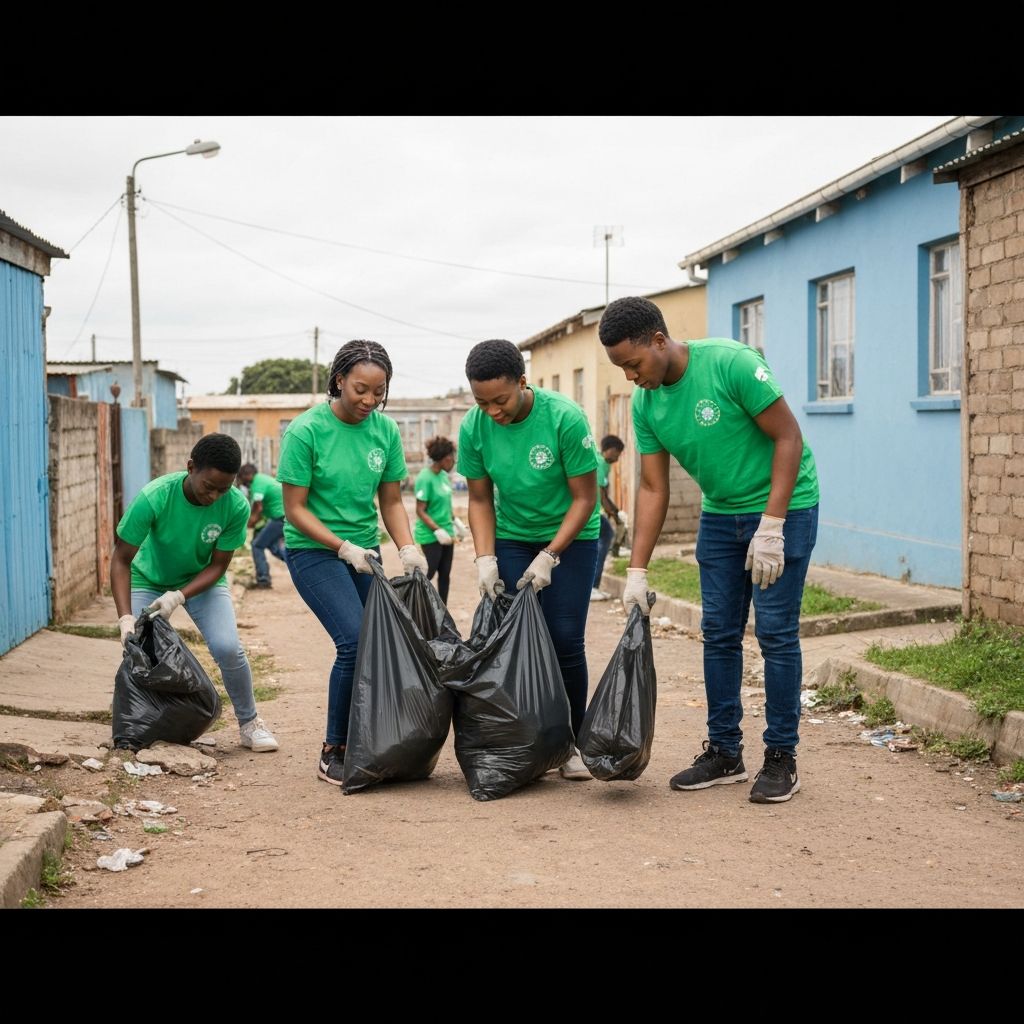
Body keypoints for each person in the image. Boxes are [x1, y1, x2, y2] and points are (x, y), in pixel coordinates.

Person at [599, 296, 820, 804]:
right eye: (621, 369)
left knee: (775, 633)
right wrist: (636, 570)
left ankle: (781, 756)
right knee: (719, 632)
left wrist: (773, 525)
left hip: (785, 506)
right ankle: (725, 752)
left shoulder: (730, 362)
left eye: (633, 363)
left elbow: (788, 437)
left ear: (659, 340)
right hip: (720, 515)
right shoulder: (646, 402)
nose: (631, 377)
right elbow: (654, 488)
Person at [278, 340, 429, 786]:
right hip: (315, 551)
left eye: (377, 392)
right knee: (354, 640)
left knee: (383, 642)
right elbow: (295, 509)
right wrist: (342, 547)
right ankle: (334, 748)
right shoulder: (306, 431)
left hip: (367, 554)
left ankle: (376, 738)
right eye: (360, 389)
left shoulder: (384, 432)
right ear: (339, 380)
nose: (368, 400)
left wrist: (407, 548)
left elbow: (391, 500)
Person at [458, 339, 600, 781]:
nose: (493, 411)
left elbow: (584, 498)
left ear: (523, 382)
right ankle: (530, 738)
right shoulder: (475, 427)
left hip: (572, 538)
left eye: (500, 400)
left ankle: (572, 741)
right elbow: (479, 498)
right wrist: (485, 558)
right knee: (514, 639)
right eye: (482, 402)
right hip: (514, 537)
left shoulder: (563, 418)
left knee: (563, 638)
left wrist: (551, 555)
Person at [112, 433, 279, 753]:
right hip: (149, 578)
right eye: (209, 486)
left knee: (229, 648)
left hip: (203, 582)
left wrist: (179, 596)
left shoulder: (236, 507)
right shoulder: (155, 497)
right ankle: (140, 723)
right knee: (140, 651)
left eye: (224, 488)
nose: (215, 495)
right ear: (191, 467)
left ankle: (250, 722)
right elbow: (120, 560)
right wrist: (125, 617)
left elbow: (218, 566)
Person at [414, 436, 456, 602]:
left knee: (445, 574)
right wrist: (437, 530)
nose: (453, 461)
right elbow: (420, 510)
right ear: (445, 458)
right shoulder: (425, 477)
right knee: (429, 573)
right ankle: (415, 604)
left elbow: (445, 505)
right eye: (452, 457)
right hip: (431, 535)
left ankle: (442, 612)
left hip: (448, 533)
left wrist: (456, 522)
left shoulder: (444, 476)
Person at [236, 463, 286, 588]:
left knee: (257, 545)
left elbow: (258, 508)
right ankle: (297, 563)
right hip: (282, 517)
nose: (241, 483)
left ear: (247, 475)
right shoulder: (261, 480)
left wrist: (249, 524)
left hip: (281, 518)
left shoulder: (257, 483)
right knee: (272, 546)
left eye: (240, 479)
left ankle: (263, 580)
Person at [590, 434, 627, 601]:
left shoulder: (604, 464)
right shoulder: (599, 463)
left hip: (594, 511)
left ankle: (592, 586)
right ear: (610, 450)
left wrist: (614, 510)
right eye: (617, 454)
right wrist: (613, 513)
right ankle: (592, 587)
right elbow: (600, 494)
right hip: (592, 512)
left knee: (601, 540)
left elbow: (604, 494)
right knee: (606, 537)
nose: (618, 458)